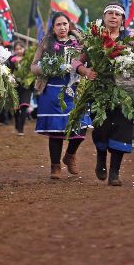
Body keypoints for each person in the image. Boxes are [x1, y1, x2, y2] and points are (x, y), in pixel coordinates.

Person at [72, 3, 134, 186]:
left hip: (124, 92)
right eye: (110, 13)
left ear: (122, 19)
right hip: (100, 92)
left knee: (122, 129)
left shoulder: (131, 38)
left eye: (117, 14)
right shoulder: (94, 38)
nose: (113, 17)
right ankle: (101, 159)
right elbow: (75, 62)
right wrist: (86, 72)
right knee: (102, 129)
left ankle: (114, 173)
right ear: (104, 17)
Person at [32, 13, 90, 179]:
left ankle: (70, 155)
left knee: (82, 125)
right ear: (53, 27)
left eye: (65, 24)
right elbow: (34, 66)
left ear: (69, 25)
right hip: (52, 90)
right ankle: (55, 166)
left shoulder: (79, 43)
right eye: (58, 24)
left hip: (75, 89)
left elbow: (88, 60)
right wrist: (48, 68)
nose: (62, 27)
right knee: (56, 129)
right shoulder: (46, 42)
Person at [11, 40, 32, 136]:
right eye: (17, 49)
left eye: (21, 48)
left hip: (26, 86)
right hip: (15, 86)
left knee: (24, 106)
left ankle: (21, 129)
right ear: (14, 50)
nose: (19, 50)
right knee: (16, 107)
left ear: (24, 49)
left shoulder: (28, 59)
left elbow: (32, 71)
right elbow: (9, 72)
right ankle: (17, 123)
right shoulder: (11, 60)